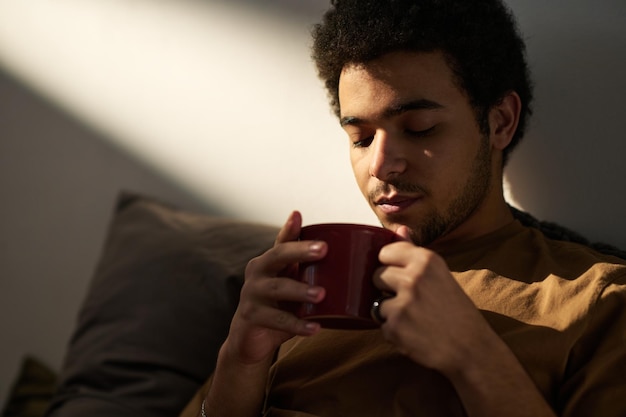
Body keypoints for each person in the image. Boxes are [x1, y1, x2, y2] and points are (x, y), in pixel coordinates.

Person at [183, 1, 626, 416]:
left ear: (499, 122)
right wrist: (240, 362)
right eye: (360, 138)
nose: (380, 164)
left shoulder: (597, 301)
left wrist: (473, 356)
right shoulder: (308, 291)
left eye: (420, 128)